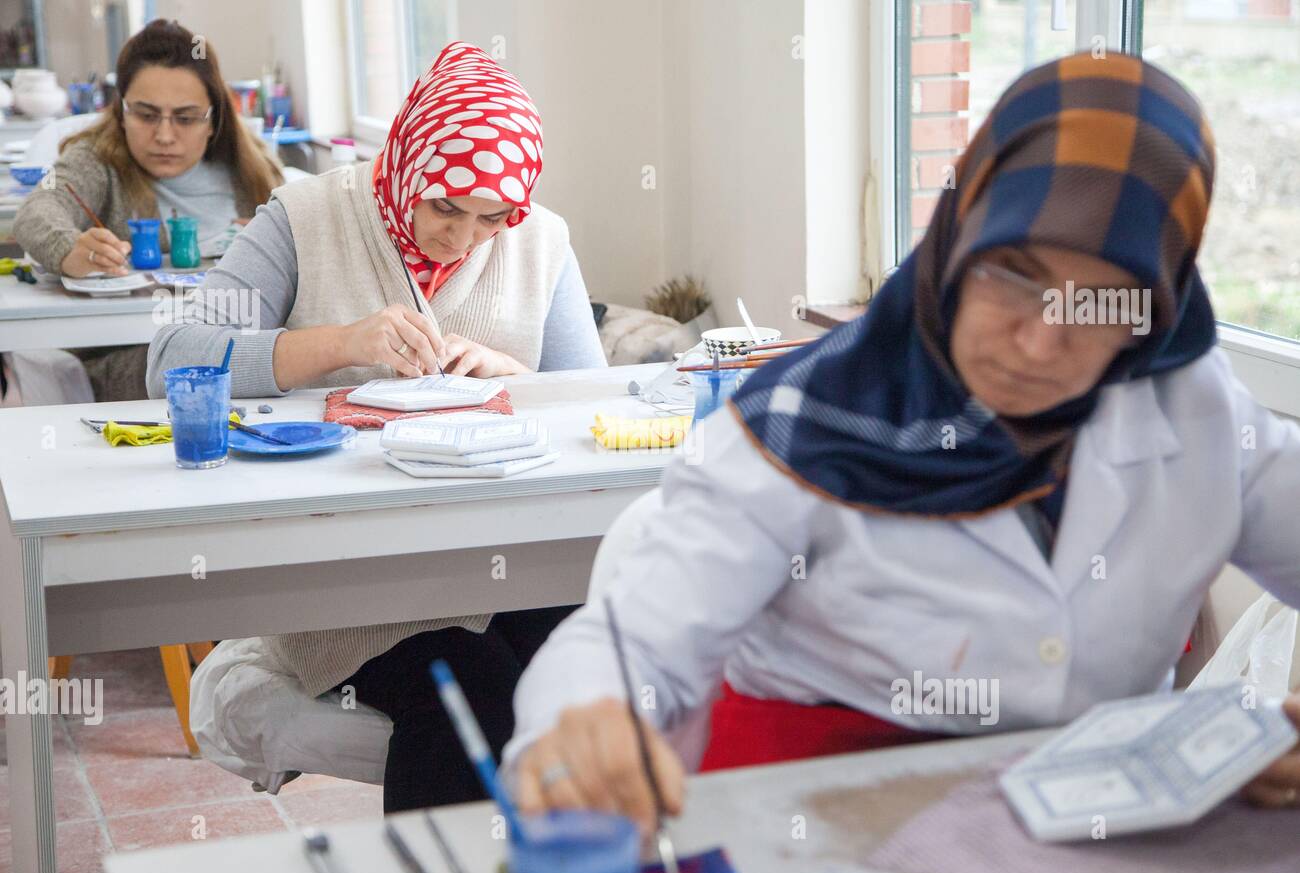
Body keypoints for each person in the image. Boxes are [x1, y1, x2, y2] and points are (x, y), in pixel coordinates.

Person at [504, 52, 1300, 833]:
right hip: (820, 826)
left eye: (1102, 300)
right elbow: (635, 637)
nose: (1039, 340)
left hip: (1102, 826)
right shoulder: (800, 424)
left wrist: (1235, 748)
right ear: (959, 240)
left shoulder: (1195, 409)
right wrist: (587, 721)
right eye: (1013, 274)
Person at [148, 42, 606, 813]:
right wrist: (342, 344)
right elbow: (173, 356)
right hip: (356, 574)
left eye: (491, 218)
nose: (463, 238)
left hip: (509, 557)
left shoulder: (541, 242)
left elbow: (595, 400)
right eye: (446, 208)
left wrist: (513, 376)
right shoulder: (308, 217)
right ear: (407, 165)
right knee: (473, 698)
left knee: (587, 680)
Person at [13, 19, 282, 402]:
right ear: (121, 112)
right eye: (146, 115)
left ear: (214, 118)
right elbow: (38, 210)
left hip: (247, 350)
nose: (165, 136)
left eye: (186, 118)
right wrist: (70, 248)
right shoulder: (97, 160)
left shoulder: (254, 172)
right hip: (134, 361)